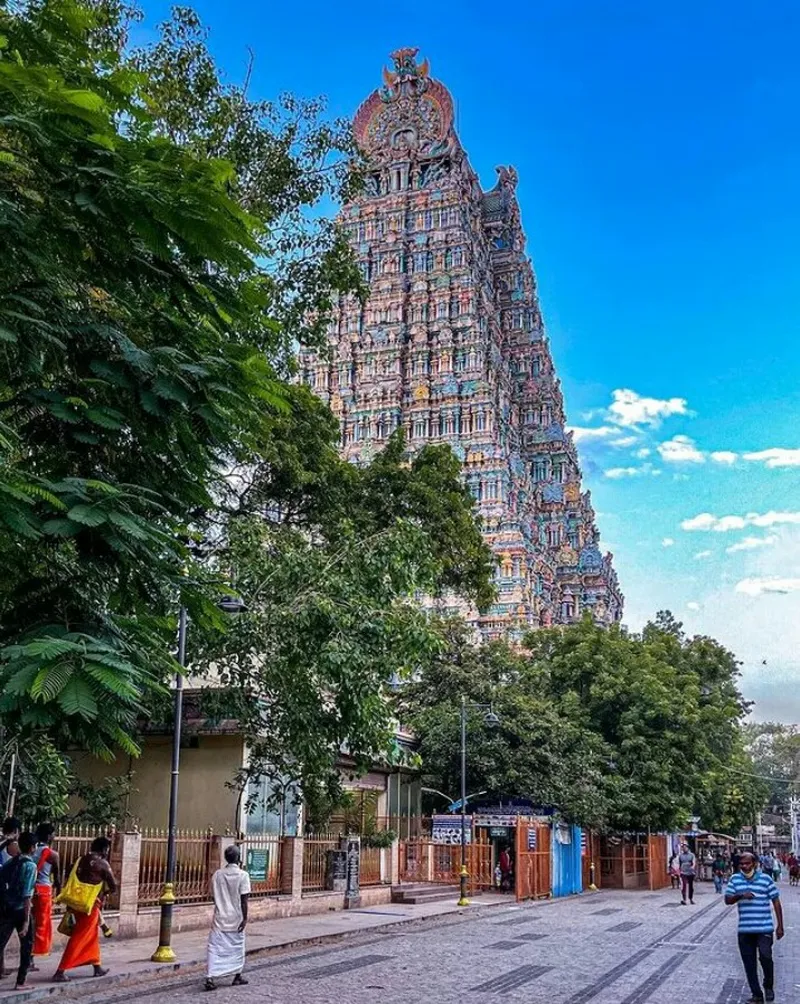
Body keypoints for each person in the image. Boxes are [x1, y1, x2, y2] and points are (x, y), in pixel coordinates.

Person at [53, 836, 116, 983]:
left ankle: (96, 966)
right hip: (90, 905)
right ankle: (60, 970)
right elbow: (113, 885)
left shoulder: (79, 859)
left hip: (76, 902)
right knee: (81, 936)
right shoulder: (103, 864)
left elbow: (69, 874)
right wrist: (104, 891)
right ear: (104, 849)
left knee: (90, 935)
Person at [725, 850, 784, 1004]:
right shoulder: (735, 879)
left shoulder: (765, 879)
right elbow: (728, 900)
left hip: (764, 928)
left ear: (755, 863)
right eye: (741, 863)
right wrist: (741, 895)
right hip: (745, 930)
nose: (744, 866)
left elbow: (776, 901)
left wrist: (780, 926)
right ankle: (757, 995)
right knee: (749, 963)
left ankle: (768, 985)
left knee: (766, 957)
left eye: (747, 863)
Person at [205, 844, 250, 992]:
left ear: (226, 858)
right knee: (237, 948)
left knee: (215, 948)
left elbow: (213, 895)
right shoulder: (243, 875)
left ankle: (210, 976)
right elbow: (244, 900)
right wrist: (245, 918)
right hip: (236, 917)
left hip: (220, 916)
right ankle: (237, 975)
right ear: (238, 858)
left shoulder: (217, 875)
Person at [0, 831, 37, 990]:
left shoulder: (12, 862)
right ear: (33, 847)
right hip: (22, 910)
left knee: (1, 942)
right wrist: (27, 921)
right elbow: (27, 894)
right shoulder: (30, 866)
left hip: (7, 907)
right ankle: (20, 981)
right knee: (27, 945)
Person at [31, 822, 60, 961]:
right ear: (49, 836)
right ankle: (37, 951)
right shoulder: (52, 854)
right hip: (44, 890)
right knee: (42, 923)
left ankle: (28, 955)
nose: (55, 836)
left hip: (30, 890)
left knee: (30, 922)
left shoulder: (31, 850)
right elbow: (58, 879)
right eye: (53, 834)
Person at [678, 841, 697, 905]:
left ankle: (691, 898)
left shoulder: (692, 855)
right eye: (683, 847)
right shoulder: (680, 856)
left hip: (690, 872)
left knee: (691, 887)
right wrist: (679, 870)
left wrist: (693, 867)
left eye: (685, 847)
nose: (684, 848)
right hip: (683, 872)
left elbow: (694, 862)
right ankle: (684, 899)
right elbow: (679, 864)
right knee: (683, 886)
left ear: (688, 848)